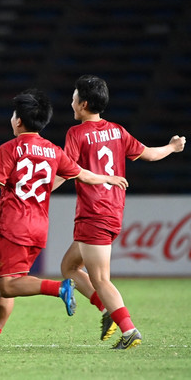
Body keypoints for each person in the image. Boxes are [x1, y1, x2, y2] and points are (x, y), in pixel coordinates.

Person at [0, 89, 129, 355]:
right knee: (11, 286)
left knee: (7, 284)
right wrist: (107, 178)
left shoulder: (10, 148)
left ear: (18, 121)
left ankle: (59, 288)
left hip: (14, 225)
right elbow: (83, 174)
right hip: (39, 227)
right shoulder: (53, 150)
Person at [56, 75, 186, 350]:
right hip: (111, 210)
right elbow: (149, 154)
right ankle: (107, 310)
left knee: (101, 279)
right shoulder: (117, 130)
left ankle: (129, 330)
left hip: (95, 213)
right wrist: (173, 148)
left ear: (84, 103)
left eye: (74, 96)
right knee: (69, 267)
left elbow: (66, 171)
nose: (71, 101)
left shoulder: (76, 134)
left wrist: (39, 191)